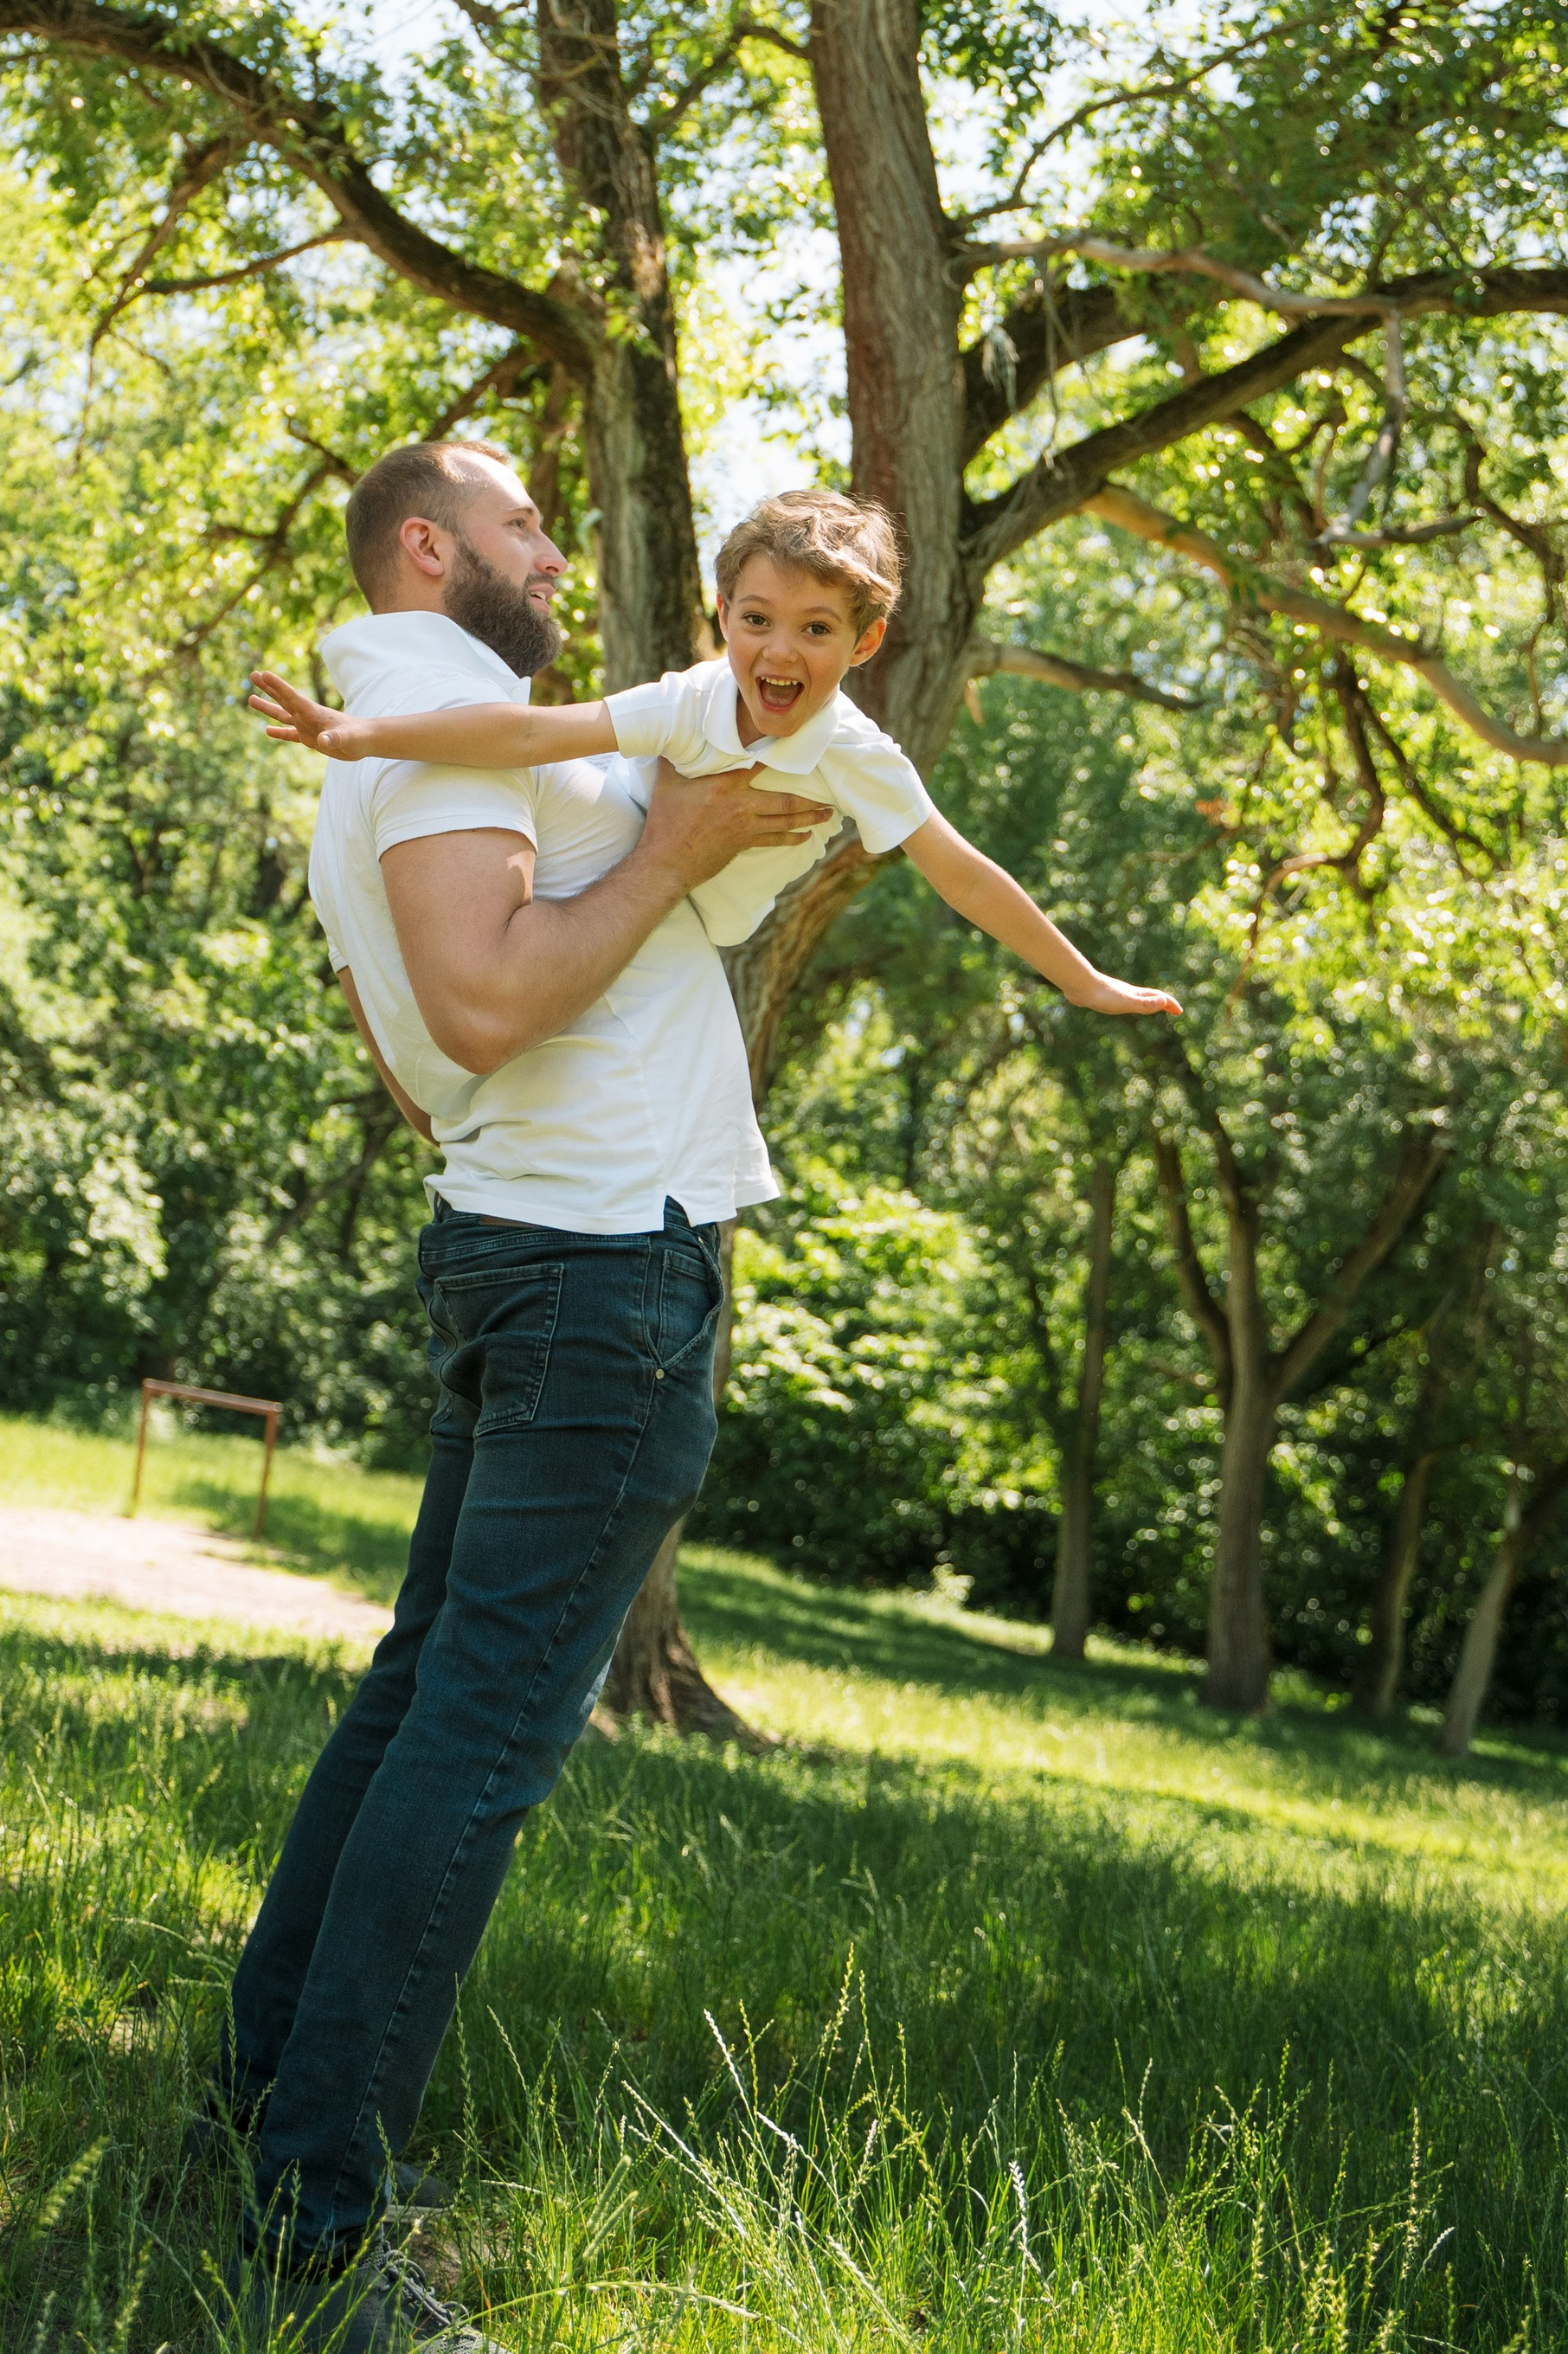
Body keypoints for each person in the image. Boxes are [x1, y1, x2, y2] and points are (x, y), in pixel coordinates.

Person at [212, 438, 825, 2353]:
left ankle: (259, 2135)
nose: (554, 552)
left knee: (418, 1706)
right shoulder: (425, 699)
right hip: (590, 1270)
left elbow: (417, 1059)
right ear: (427, 548)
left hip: (525, 1240)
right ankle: (313, 2230)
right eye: (519, 526)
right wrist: (672, 854)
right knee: (475, 1741)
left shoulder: (418, 728)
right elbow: (474, 1010)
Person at [252, 483, 1186, 1016]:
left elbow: (966, 877)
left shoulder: (855, 753)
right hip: (606, 872)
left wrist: (1084, 980)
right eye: (755, 621)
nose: (778, 653)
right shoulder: (694, 699)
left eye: (816, 630)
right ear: (722, 617)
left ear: (864, 645)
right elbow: (531, 730)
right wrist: (354, 733)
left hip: (691, 924)